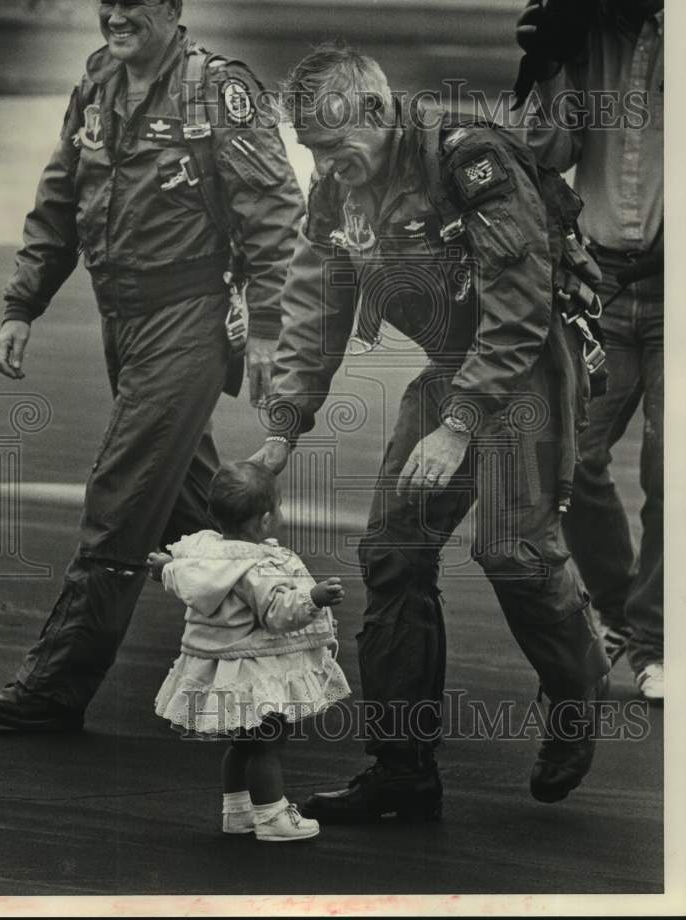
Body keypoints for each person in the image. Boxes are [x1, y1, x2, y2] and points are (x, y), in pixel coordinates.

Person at [251, 42, 610, 822]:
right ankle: (402, 769)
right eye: (310, 148)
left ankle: (577, 688)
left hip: (525, 366)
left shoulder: (470, 160)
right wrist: (282, 427)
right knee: (391, 554)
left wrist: (456, 426)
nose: (323, 163)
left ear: (378, 112)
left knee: (512, 553)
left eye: (333, 145)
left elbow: (520, 309)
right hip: (452, 364)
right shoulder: (338, 182)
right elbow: (316, 304)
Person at [0, 0, 304, 731]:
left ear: (173, 4)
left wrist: (268, 333)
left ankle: (56, 686)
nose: (115, 17)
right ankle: (284, 640)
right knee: (194, 511)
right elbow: (58, 199)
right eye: (105, 4)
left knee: (119, 501)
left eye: (132, 5)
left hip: (186, 322)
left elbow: (274, 217)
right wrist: (21, 304)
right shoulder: (97, 84)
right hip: (124, 323)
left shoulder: (221, 92)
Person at [519, 0, 664, 702]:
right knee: (571, 461)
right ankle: (617, 615)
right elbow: (549, 148)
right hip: (599, 281)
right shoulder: (584, 29)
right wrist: (547, 58)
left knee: (669, 470)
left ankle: (655, 637)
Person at [147, 461, 350, 841]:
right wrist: (313, 597)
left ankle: (237, 810)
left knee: (243, 742)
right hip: (256, 669)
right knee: (266, 743)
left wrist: (163, 569)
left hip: (223, 667)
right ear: (266, 521)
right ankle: (273, 816)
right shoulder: (259, 566)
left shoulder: (203, 553)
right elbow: (277, 613)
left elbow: (180, 572)